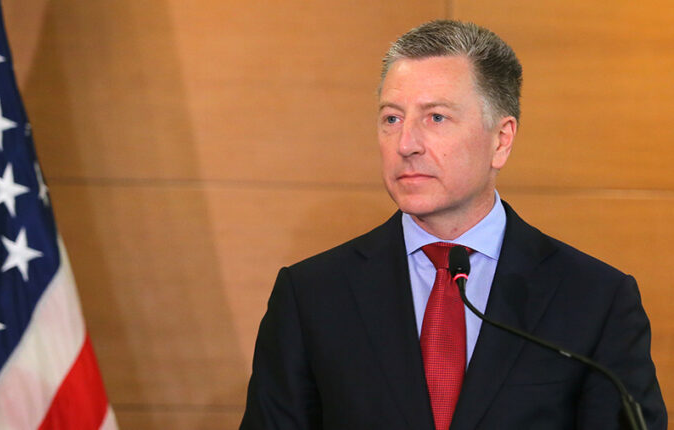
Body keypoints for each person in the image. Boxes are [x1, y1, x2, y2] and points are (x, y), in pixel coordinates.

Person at [240, 20, 666, 429]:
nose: (406, 144)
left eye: (436, 117)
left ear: (501, 140)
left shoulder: (596, 299)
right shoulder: (312, 295)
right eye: (392, 119)